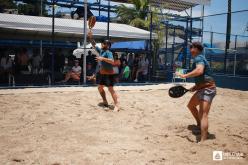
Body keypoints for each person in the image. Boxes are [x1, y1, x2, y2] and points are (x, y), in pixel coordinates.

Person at [176, 42, 216, 142]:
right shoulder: (198, 58)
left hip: (208, 89)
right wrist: (195, 86)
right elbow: (202, 76)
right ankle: (199, 125)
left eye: (192, 48)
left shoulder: (199, 58)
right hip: (202, 88)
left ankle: (203, 140)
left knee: (203, 114)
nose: (190, 50)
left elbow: (199, 71)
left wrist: (184, 76)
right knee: (191, 106)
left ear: (197, 49)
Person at [88, 31, 119, 112]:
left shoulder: (109, 52)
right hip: (102, 74)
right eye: (102, 43)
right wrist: (90, 37)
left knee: (111, 90)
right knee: (100, 88)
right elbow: (94, 45)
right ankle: (105, 101)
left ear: (107, 45)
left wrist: (102, 58)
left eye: (103, 43)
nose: (101, 44)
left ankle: (117, 105)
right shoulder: (101, 51)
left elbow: (112, 61)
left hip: (109, 75)